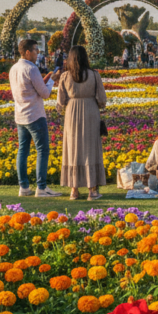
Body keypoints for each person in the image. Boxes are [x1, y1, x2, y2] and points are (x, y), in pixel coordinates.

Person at [10, 39, 62, 198]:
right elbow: (45, 94)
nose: (37, 53)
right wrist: (53, 78)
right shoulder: (31, 69)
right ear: (27, 52)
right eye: (35, 50)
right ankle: (41, 187)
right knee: (42, 150)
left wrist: (46, 80)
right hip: (35, 115)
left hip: (20, 115)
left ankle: (24, 187)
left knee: (23, 150)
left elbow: (31, 89)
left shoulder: (14, 68)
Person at [57, 45, 108, 201]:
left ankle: (74, 190)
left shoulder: (65, 76)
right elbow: (102, 100)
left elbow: (60, 102)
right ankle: (92, 190)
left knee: (73, 150)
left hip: (72, 113)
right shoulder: (94, 75)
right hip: (91, 112)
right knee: (90, 149)